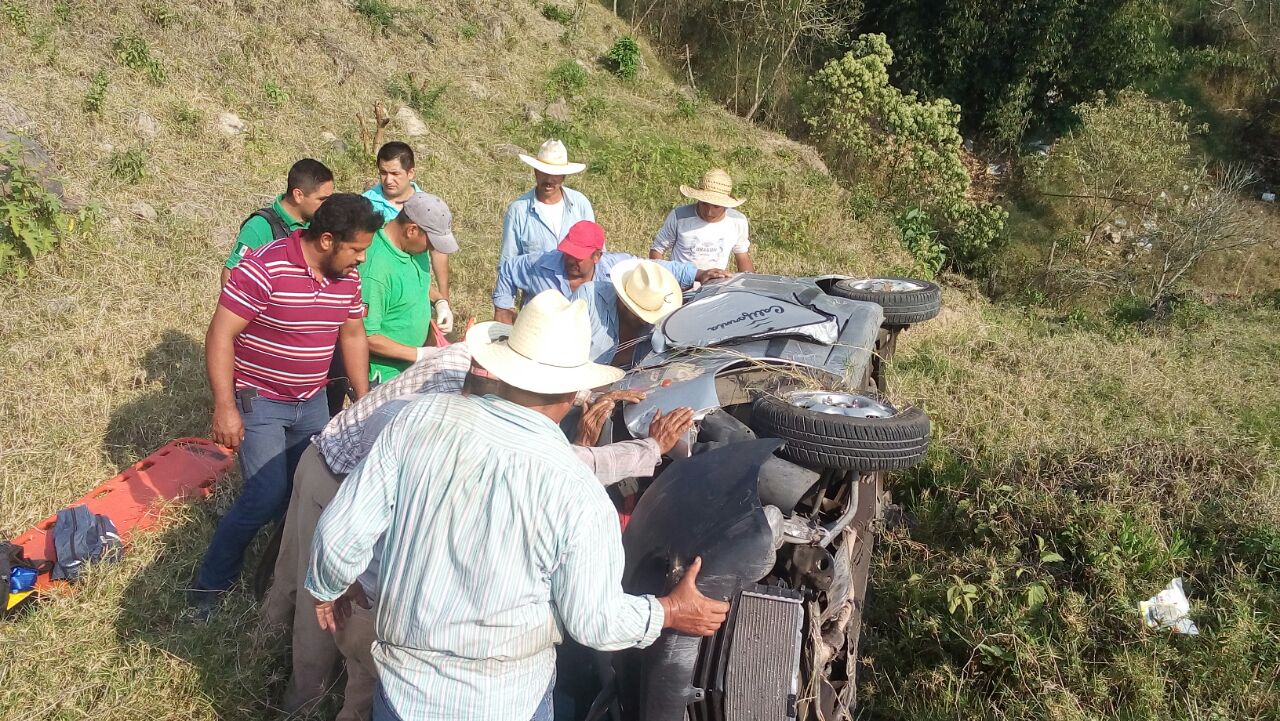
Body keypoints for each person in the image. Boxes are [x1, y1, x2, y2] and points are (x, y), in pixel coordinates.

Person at [306, 290, 729, 721]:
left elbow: (339, 537)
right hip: (506, 701)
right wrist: (672, 610)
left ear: (504, 367)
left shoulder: (420, 419)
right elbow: (596, 621)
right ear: (571, 393)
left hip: (403, 692)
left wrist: (328, 585)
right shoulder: (576, 489)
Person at [189, 193, 383, 616]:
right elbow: (221, 334)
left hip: (311, 400)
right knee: (265, 493)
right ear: (328, 240)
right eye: (357, 249)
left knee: (303, 491)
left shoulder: (347, 278)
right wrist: (225, 406)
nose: (362, 260)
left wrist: (364, 401)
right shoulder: (265, 267)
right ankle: (209, 586)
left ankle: (277, 578)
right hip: (261, 399)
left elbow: (351, 335)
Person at [493, 221, 728, 356]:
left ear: (597, 256)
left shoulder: (615, 266)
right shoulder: (539, 265)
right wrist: (503, 311)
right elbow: (507, 268)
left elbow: (652, 268)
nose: (571, 261)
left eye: (579, 257)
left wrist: (698, 273)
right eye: (568, 254)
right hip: (540, 345)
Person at [361, 192, 459, 383]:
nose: (431, 249)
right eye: (430, 243)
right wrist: (419, 354)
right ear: (412, 230)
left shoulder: (414, 249)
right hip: (386, 377)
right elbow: (367, 336)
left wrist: (439, 301)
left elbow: (414, 283)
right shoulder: (376, 271)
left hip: (412, 370)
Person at [363, 142, 453, 331]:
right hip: (385, 288)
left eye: (395, 174)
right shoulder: (366, 205)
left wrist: (443, 301)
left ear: (410, 173)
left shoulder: (426, 204)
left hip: (420, 287)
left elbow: (438, 251)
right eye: (383, 173)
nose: (388, 180)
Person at [222, 158, 335, 285]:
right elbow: (231, 275)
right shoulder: (260, 227)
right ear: (298, 195)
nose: (329, 205)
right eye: (322, 199)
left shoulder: (321, 224)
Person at [499, 139, 595, 266]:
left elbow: (595, 252)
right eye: (543, 173)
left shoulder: (580, 204)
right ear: (536, 172)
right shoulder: (518, 211)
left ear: (563, 176)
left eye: (555, 174)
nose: (548, 180)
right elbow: (508, 264)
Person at [649, 168, 754, 272]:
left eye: (716, 207)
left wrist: (749, 286)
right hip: (680, 285)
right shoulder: (679, 217)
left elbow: (742, 256)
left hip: (715, 285)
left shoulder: (737, 221)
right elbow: (657, 249)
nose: (709, 212)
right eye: (704, 204)